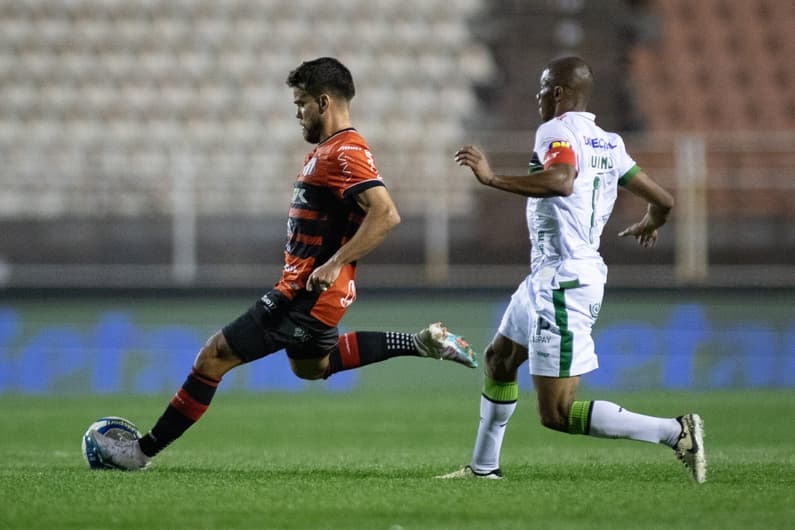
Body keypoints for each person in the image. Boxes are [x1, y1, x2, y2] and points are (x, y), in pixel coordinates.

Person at [89, 57, 477, 470]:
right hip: (320, 295)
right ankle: (418, 343)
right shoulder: (328, 151)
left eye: (301, 103)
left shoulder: (345, 150)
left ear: (324, 102)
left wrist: (333, 263)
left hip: (303, 294)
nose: (297, 113)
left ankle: (140, 453)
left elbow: (386, 214)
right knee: (312, 367)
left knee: (213, 358)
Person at [438, 56, 706, 483]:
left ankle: (675, 432)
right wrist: (651, 222)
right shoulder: (608, 143)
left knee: (557, 413)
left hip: (563, 281)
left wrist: (490, 179)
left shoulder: (555, 130)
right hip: (547, 277)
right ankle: (484, 468)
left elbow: (561, 180)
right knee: (499, 360)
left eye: (544, 88)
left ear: (559, 93)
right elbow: (665, 200)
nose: (538, 97)